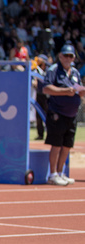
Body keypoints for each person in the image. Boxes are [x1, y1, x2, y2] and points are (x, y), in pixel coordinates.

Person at [42, 43, 84, 185]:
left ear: (73, 58)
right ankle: (52, 174)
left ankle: (61, 173)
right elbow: (46, 89)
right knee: (56, 144)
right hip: (57, 113)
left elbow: (78, 90)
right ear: (60, 56)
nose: (67, 58)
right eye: (65, 55)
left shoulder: (76, 73)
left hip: (71, 115)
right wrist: (65, 92)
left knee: (67, 146)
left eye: (70, 56)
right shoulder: (53, 70)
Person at [33, 54, 49, 140]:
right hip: (39, 94)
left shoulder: (49, 70)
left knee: (48, 115)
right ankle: (40, 134)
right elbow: (35, 80)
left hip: (47, 96)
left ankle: (50, 134)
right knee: (38, 116)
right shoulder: (36, 69)